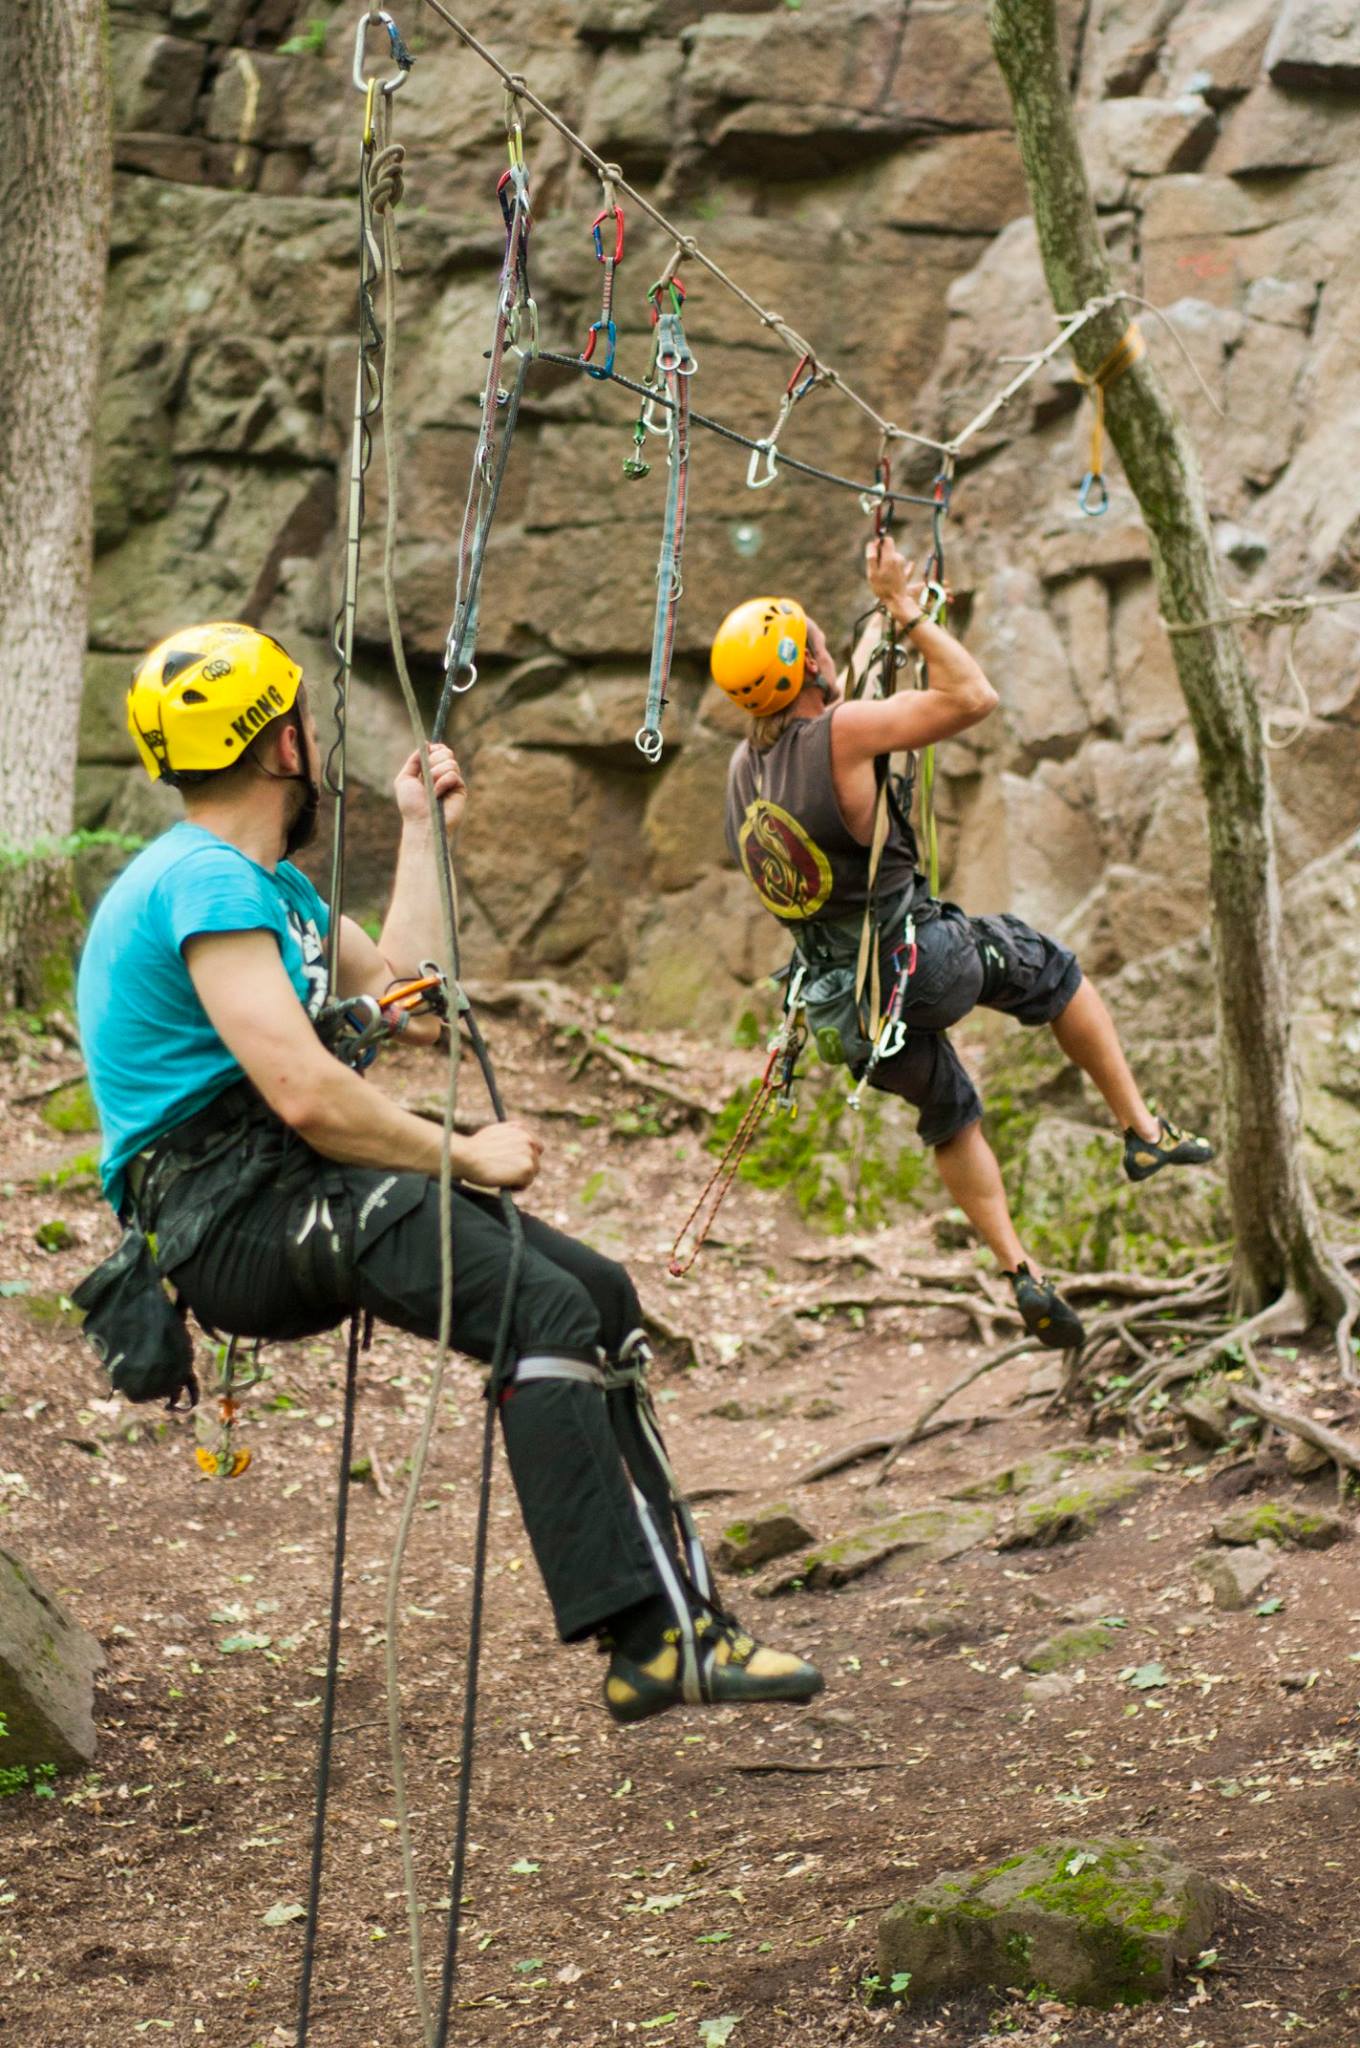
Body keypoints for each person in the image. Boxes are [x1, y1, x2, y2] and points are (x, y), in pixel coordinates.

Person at [75, 620, 822, 1725]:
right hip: (235, 1218)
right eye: (309, 726)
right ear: (285, 745)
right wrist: (466, 1152)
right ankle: (646, 1636)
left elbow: (413, 1001)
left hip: (283, 1194)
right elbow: (306, 1093)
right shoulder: (205, 885)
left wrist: (425, 833)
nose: (318, 745)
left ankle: (684, 1615)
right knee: (540, 1301)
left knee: (601, 1294)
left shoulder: (266, 888)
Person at [712, 541, 1214, 1348]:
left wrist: (890, 604)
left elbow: (859, 703)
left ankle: (1021, 1271)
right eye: (818, 644)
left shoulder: (748, 767)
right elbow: (972, 696)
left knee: (950, 1113)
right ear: (807, 665)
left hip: (847, 1009)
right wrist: (909, 614)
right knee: (1051, 970)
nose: (832, 649)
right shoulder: (840, 736)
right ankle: (1143, 1134)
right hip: (920, 965)